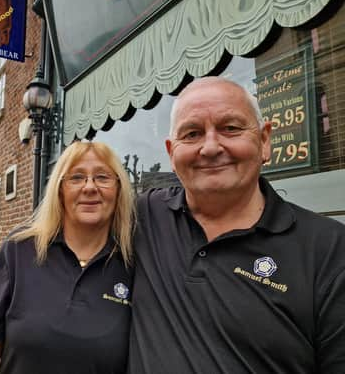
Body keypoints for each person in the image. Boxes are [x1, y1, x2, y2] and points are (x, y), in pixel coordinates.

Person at [129, 77, 345, 373]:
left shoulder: (330, 250)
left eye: (230, 128)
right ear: (171, 152)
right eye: (192, 134)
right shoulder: (142, 218)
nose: (210, 147)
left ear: (264, 140)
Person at [0, 141, 135, 374]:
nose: (90, 187)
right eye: (76, 178)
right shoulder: (19, 250)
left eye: (103, 177)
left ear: (119, 189)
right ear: (60, 190)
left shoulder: (132, 263)